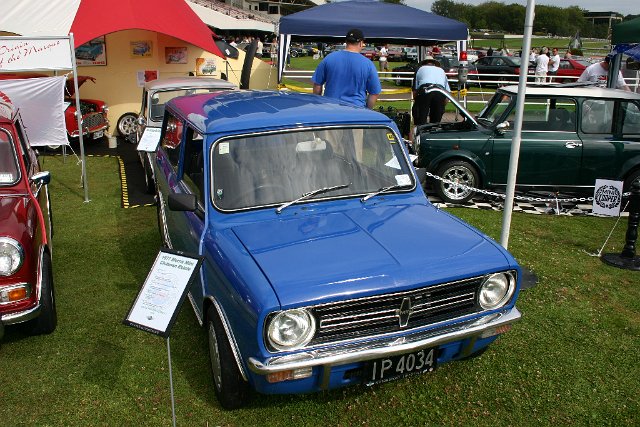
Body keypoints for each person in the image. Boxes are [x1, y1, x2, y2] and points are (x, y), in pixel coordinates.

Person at [312, 29, 381, 109]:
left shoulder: (329, 58)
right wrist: (367, 110)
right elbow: (374, 93)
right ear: (361, 43)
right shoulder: (368, 64)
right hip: (356, 110)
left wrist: (318, 105)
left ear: (346, 42)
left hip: (330, 109)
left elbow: (317, 85)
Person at [412, 56, 451, 126]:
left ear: (424, 63)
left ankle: (420, 129)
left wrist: (417, 103)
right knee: (436, 122)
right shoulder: (441, 70)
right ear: (434, 63)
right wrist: (441, 105)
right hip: (440, 90)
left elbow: (415, 91)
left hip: (425, 89)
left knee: (421, 119)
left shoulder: (420, 69)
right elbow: (447, 93)